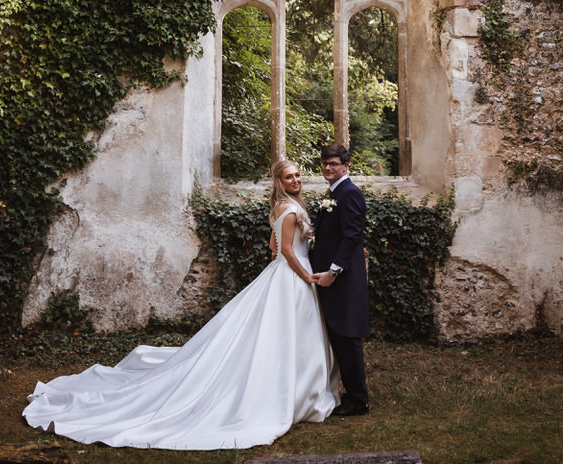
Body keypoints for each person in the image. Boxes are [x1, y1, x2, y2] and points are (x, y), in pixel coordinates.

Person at [22, 160, 338, 449]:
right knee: (286, 331)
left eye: (297, 174)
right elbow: (283, 250)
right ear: (279, 181)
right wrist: (307, 277)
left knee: (279, 333)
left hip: (284, 276)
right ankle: (296, 391)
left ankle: (296, 387)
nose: (296, 179)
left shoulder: (280, 207)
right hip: (294, 276)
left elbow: (271, 244)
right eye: (289, 176)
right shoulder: (291, 209)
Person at [310, 142, 370, 416]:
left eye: (333, 164)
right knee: (339, 335)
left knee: (347, 337)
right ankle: (350, 393)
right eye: (324, 163)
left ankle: (358, 399)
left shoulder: (349, 194)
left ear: (346, 166)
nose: (327, 168)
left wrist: (333, 272)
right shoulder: (336, 192)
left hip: (342, 280)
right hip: (331, 279)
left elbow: (352, 237)